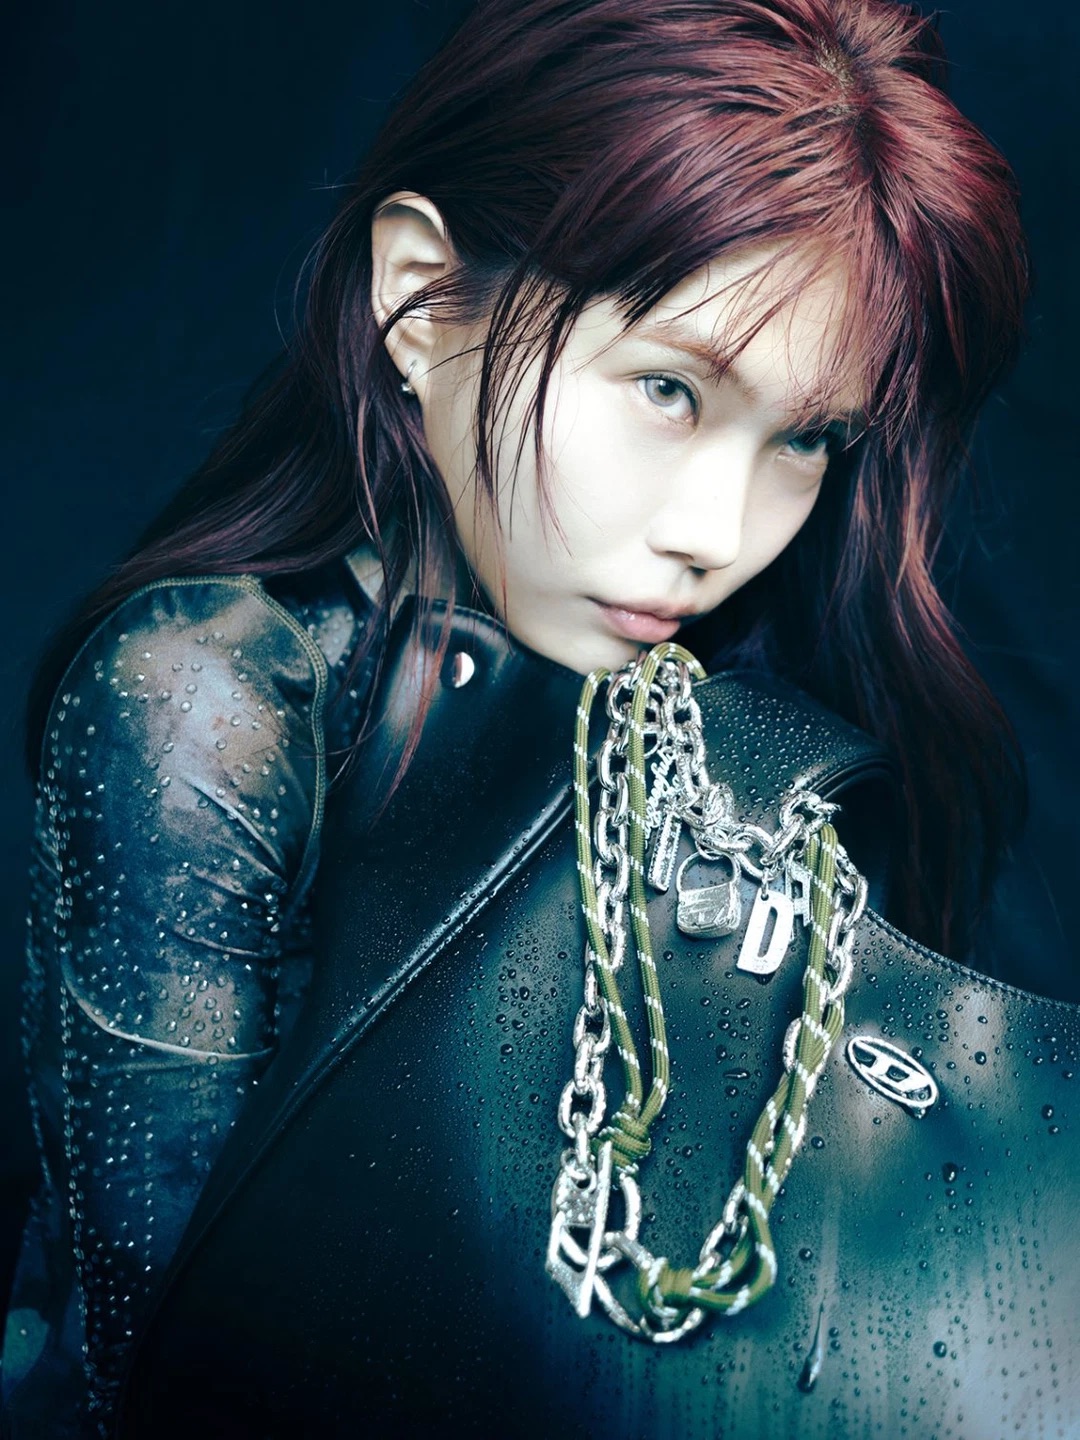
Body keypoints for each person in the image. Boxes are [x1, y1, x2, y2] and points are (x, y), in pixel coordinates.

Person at [1, 0, 1049, 1433]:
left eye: (808, 438)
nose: (719, 532)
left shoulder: (723, 709)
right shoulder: (208, 700)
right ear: (425, 297)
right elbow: (154, 1356)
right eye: (669, 390)